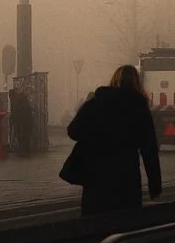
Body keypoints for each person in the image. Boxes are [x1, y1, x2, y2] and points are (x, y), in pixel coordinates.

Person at [64, 63, 162, 217]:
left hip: (96, 175)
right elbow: (149, 149)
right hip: (126, 176)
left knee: (94, 223)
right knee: (125, 224)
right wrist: (155, 186)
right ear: (136, 83)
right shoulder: (138, 107)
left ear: (114, 80)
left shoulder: (95, 102)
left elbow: (73, 131)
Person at [9, 84, 35, 156]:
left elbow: (16, 112)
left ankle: (23, 152)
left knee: (22, 136)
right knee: (26, 137)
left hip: (22, 122)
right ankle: (27, 151)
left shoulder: (15, 100)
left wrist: (13, 120)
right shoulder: (21, 98)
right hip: (28, 121)